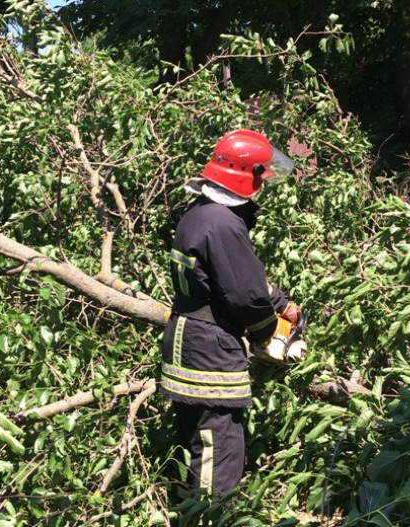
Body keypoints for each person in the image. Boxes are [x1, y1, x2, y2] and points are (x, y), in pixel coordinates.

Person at [159, 129, 300, 500]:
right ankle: (209, 517)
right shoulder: (224, 224)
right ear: (247, 175)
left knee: (199, 445)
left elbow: (231, 279)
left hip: (186, 339)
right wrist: (268, 333)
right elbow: (247, 296)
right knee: (218, 452)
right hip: (209, 350)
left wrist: (281, 303)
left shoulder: (199, 215)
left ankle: (191, 513)